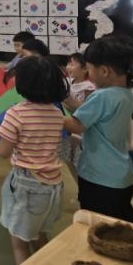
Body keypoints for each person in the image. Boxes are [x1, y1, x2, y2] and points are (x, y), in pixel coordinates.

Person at [0, 56, 67, 265]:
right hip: (53, 184)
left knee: (19, 242)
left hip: (27, 184)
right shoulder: (57, 113)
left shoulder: (16, 113)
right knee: (39, 235)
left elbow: (3, 151)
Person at [63, 35, 133, 224]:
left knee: (100, 227)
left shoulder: (102, 96)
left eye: (89, 69)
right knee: (120, 220)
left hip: (99, 176)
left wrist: (47, 114)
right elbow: (88, 115)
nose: (88, 73)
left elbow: (76, 125)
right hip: (120, 175)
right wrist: (65, 99)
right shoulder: (125, 94)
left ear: (104, 71)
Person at [58, 53, 95, 182]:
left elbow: (88, 110)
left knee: (80, 161)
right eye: (68, 63)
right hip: (69, 128)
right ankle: (79, 184)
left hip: (81, 129)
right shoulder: (68, 82)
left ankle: (85, 185)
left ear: (85, 69)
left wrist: (70, 102)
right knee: (69, 158)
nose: (68, 67)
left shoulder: (89, 87)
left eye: (73, 64)